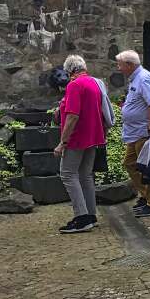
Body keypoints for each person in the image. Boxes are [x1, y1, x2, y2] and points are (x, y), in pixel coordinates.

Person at [54, 55, 106, 233]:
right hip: (93, 135)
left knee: (67, 174)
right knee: (85, 175)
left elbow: (73, 115)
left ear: (70, 71)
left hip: (78, 137)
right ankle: (90, 215)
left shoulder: (75, 85)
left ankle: (81, 217)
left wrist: (62, 142)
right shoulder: (94, 82)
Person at [116, 50, 150, 218]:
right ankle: (146, 195)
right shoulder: (136, 78)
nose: (118, 68)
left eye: (120, 64)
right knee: (130, 163)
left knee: (147, 168)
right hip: (135, 132)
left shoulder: (143, 78)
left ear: (130, 65)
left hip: (144, 131)